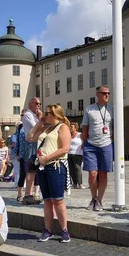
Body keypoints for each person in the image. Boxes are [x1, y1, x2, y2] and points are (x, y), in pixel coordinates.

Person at [26, 104, 72, 243]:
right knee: (47, 200)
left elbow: (65, 148)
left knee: (57, 200)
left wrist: (47, 157)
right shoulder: (46, 128)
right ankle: (48, 230)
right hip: (43, 167)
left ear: (55, 114)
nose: (45, 115)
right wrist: (39, 124)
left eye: (47, 113)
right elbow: (29, 137)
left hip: (55, 165)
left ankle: (64, 230)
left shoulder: (62, 127)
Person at [81, 85, 113, 211]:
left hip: (106, 144)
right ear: (97, 94)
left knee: (103, 173)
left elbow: (115, 127)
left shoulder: (112, 109)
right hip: (91, 144)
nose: (107, 95)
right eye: (104, 93)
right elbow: (84, 127)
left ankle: (99, 200)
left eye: (108, 93)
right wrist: (84, 142)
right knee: (92, 173)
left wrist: (112, 141)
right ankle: (93, 198)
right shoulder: (89, 109)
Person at [21, 98, 43, 205]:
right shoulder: (28, 115)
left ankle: (32, 193)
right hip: (30, 143)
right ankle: (27, 195)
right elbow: (37, 127)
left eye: (39, 103)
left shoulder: (34, 115)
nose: (38, 105)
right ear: (30, 104)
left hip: (36, 143)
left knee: (34, 170)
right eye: (36, 103)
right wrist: (41, 119)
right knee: (30, 169)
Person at [68, 122, 85, 189]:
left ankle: (80, 183)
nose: (70, 128)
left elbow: (84, 141)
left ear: (75, 128)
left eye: (72, 127)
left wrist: (83, 145)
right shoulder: (69, 135)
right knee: (71, 169)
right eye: (70, 127)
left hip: (78, 153)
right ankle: (74, 183)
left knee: (77, 168)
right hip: (69, 153)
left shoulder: (80, 135)